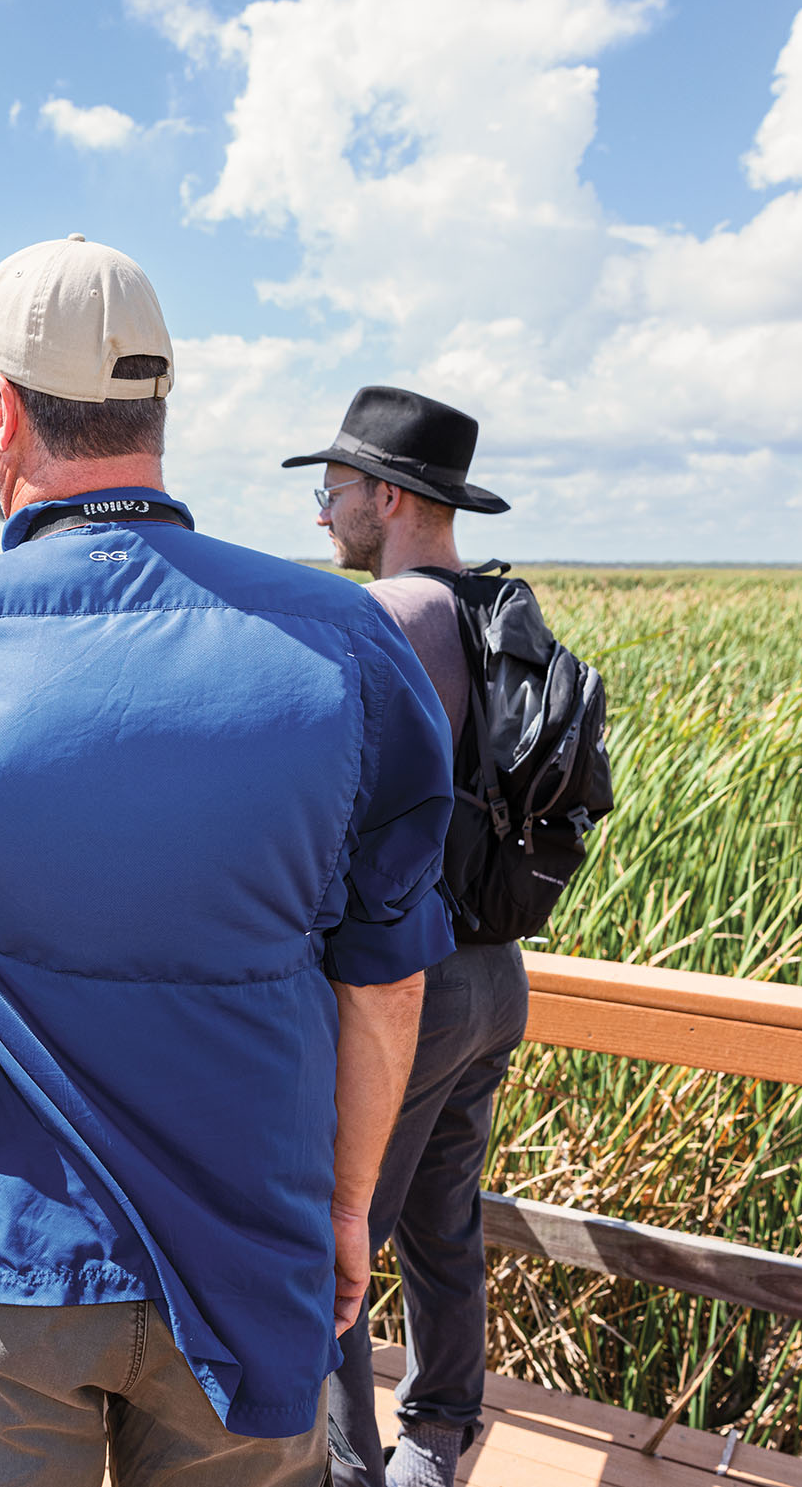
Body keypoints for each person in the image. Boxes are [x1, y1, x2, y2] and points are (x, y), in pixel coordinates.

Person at [0, 237, 456, 1486]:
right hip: (252, 1252)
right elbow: (385, 979)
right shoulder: (348, 648)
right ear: (153, 411)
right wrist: (342, 1204)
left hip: (4, 1269)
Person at [282, 388, 527, 1487]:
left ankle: (347, 1467)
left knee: (336, 1235)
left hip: (412, 983)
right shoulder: (502, 613)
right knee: (442, 1219)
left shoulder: (391, 619)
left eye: (332, 492)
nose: (322, 515)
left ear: (388, 495)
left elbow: (331, 805)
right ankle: (436, 1435)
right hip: (497, 974)